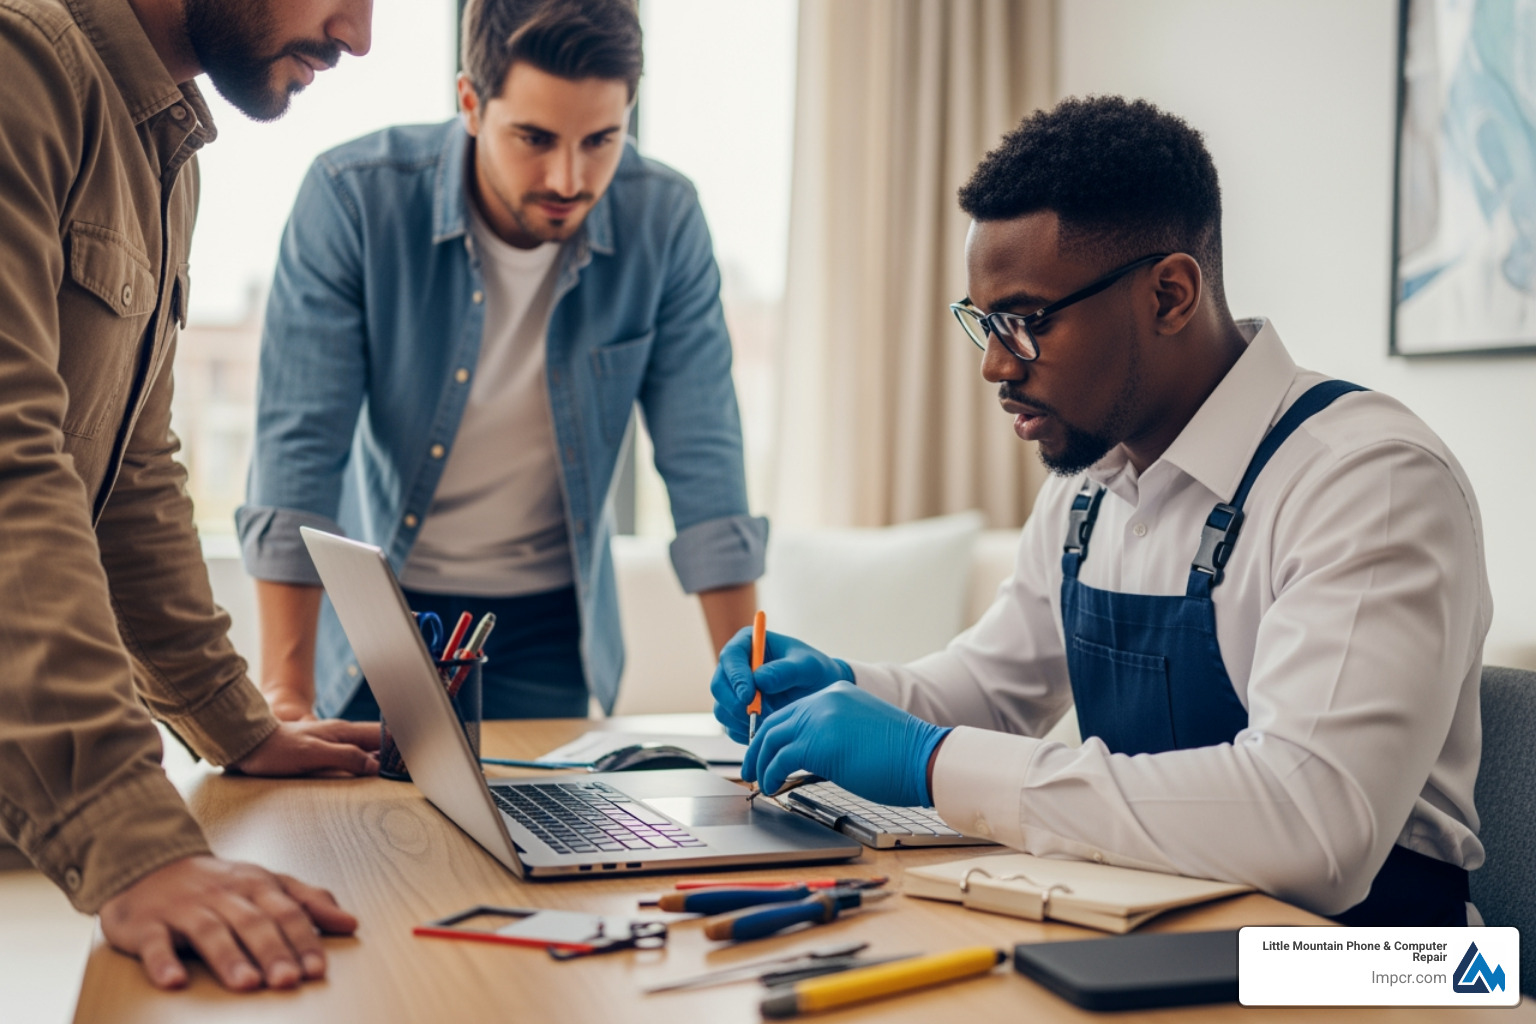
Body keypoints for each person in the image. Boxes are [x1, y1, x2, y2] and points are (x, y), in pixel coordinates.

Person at [713, 97, 1490, 927]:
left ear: (1169, 296)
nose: (995, 366)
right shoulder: (1089, 485)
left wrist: (929, 760)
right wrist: (845, 688)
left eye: (1024, 322)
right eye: (984, 323)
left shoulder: (1367, 482)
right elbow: (995, 689)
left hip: (1380, 968)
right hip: (1160, 935)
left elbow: (1311, 829)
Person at [0, 0, 385, 994]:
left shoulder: (163, 151)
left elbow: (131, 471)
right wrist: (132, 840)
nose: (358, 33)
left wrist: (233, 721)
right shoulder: (20, 60)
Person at [239, 0, 765, 724]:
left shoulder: (665, 221)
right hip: (378, 613)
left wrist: (757, 703)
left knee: (540, 802)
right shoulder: (352, 199)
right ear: (471, 103)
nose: (569, 179)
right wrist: (287, 694)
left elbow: (706, 462)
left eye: (601, 140)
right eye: (535, 138)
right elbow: (299, 452)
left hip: (549, 627)